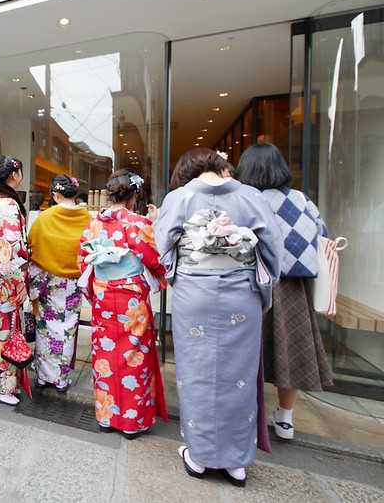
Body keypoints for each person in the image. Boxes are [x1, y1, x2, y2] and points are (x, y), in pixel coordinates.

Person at [155, 148, 283, 488]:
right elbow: (272, 250)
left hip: (193, 294)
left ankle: (198, 456)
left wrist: (180, 271)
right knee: (237, 372)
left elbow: (163, 251)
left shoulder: (179, 198)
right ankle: (236, 462)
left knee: (195, 370)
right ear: (222, 166)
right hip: (241, 294)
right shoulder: (251, 196)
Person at [237, 142, 333, 440]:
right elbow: (322, 237)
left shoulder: (244, 200)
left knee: (245, 351)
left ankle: (246, 414)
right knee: (289, 349)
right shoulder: (302, 200)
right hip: (292, 287)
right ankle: (286, 419)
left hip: (250, 283)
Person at [77, 170, 168, 438]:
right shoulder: (137, 223)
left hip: (104, 293)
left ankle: (107, 417)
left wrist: (96, 291)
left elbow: (83, 259)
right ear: (133, 196)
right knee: (133, 353)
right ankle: (132, 421)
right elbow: (154, 259)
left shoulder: (94, 223)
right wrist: (160, 278)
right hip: (131, 297)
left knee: (105, 353)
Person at [27, 175, 92, 393]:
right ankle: (61, 379)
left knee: (46, 328)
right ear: (75, 193)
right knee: (68, 328)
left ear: (55, 194)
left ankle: (44, 376)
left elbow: (32, 245)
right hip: (73, 282)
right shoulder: (87, 218)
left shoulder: (46, 217)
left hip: (49, 281)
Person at [0, 155, 30, 406]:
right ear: (14, 174)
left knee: (4, 329)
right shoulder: (7, 205)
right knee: (5, 331)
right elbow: (8, 250)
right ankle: (2, 387)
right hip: (5, 281)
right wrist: (19, 282)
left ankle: (7, 382)